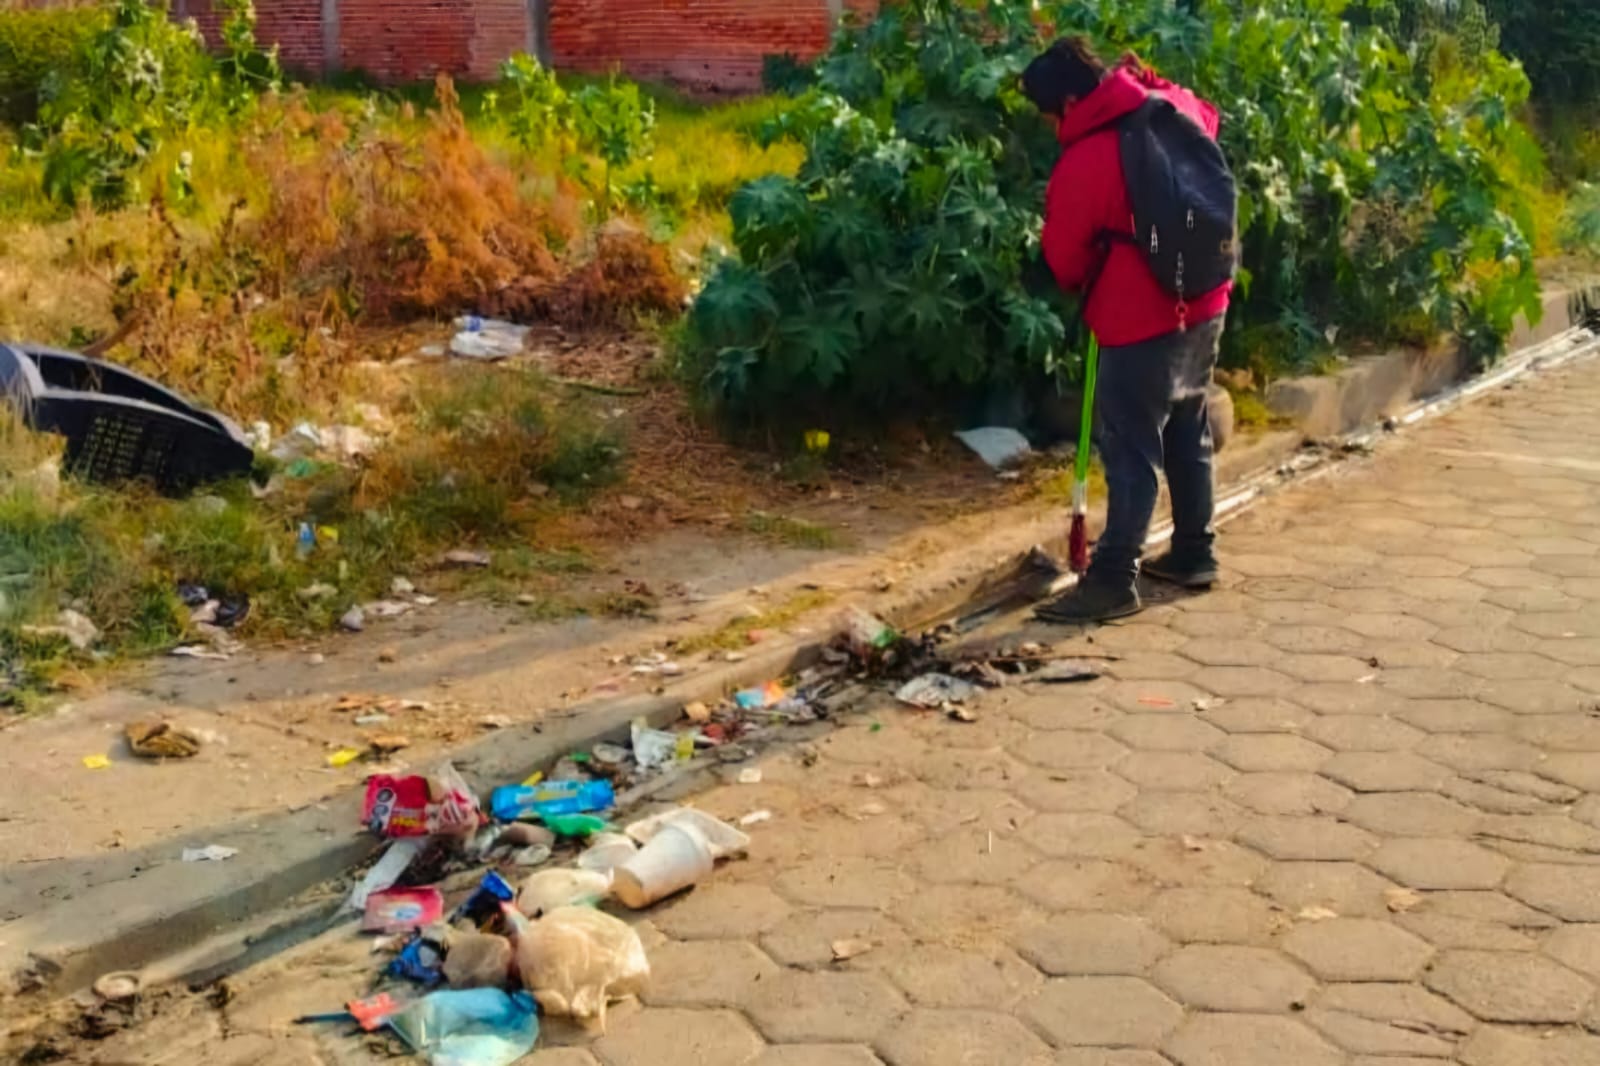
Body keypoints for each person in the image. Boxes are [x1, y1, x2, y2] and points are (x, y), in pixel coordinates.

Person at [1023, 37, 1234, 623]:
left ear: (1067, 102)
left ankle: (1114, 580)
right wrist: (1151, 81)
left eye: (1047, 113)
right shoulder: (1175, 110)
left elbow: (1064, 260)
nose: (1048, 125)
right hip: (1206, 294)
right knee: (1187, 417)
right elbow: (1208, 115)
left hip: (1137, 315)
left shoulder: (1088, 158)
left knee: (1131, 444)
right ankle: (1195, 552)